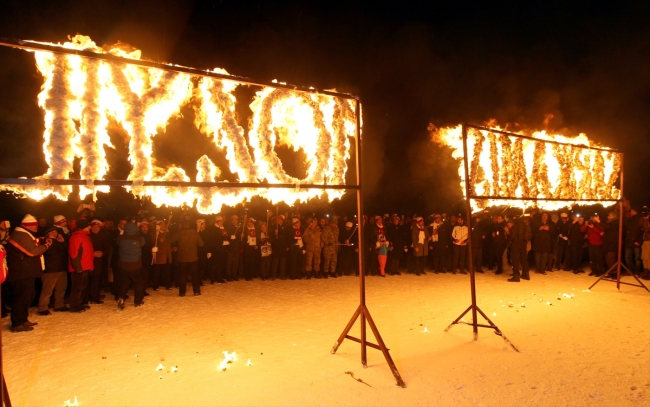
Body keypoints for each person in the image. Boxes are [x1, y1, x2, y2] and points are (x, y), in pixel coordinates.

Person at [5, 215, 51, 331]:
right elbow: (32, 250)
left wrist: (43, 240)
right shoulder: (20, 235)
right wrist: (45, 246)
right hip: (21, 273)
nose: (36, 228)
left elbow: (33, 242)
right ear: (28, 226)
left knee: (28, 296)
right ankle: (17, 323)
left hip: (27, 272)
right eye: (34, 226)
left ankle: (23, 319)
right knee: (21, 298)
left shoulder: (24, 234)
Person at [38, 227, 68, 315]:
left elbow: (67, 251)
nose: (54, 233)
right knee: (47, 290)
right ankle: (43, 307)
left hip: (61, 269)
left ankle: (59, 305)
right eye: (52, 232)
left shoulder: (60, 242)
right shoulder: (45, 242)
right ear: (47, 234)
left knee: (61, 289)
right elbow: (48, 252)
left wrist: (63, 242)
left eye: (55, 232)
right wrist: (51, 241)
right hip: (50, 270)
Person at [116, 221, 146, 308]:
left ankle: (121, 297)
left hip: (123, 265)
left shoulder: (120, 238)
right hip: (136, 265)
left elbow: (117, 243)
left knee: (124, 283)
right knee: (138, 283)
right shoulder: (140, 238)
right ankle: (138, 301)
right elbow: (143, 244)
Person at [170, 220, 204, 296]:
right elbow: (201, 244)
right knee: (194, 275)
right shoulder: (194, 232)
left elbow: (171, 240)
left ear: (181, 226)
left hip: (182, 258)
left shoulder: (178, 233)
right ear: (189, 225)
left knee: (182, 275)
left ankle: (182, 292)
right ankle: (196, 291)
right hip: (193, 257)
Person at [68, 218, 94, 313]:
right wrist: (77, 267)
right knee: (77, 287)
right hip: (79, 267)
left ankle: (80, 303)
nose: (90, 227)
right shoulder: (77, 237)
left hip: (85, 266)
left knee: (83, 286)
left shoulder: (85, 236)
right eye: (88, 225)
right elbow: (74, 253)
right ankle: (75, 306)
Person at [88, 219, 110, 305]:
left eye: (97, 227)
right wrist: (92, 253)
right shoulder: (88, 235)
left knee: (96, 279)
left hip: (99, 261)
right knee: (88, 279)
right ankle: (88, 296)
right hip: (89, 260)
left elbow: (107, 247)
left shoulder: (103, 236)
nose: (95, 228)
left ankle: (95, 295)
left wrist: (102, 253)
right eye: (94, 226)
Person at [150, 221, 173, 290]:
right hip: (159, 255)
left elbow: (170, 241)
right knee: (157, 272)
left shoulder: (167, 233)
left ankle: (167, 284)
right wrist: (159, 240)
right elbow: (153, 242)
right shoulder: (154, 234)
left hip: (167, 255)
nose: (163, 227)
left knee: (166, 271)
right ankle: (155, 285)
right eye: (161, 225)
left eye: (164, 225)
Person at [508, 217, 532, 282]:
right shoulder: (526, 226)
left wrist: (509, 232)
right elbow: (529, 235)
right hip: (523, 244)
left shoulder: (515, 226)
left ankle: (516, 276)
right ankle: (526, 275)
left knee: (515, 260)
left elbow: (512, 236)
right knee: (523, 260)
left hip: (516, 244)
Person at [624, 208, 644, 275]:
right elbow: (625, 231)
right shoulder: (628, 220)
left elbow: (643, 232)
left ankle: (637, 271)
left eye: (633, 211)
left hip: (636, 242)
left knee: (637, 258)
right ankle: (630, 270)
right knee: (628, 257)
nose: (631, 212)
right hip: (628, 241)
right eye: (631, 211)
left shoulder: (640, 220)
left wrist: (639, 241)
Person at [271, 215, 290, 279]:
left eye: (280, 219)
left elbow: (287, 237)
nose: (279, 220)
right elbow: (272, 237)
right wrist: (275, 233)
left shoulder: (285, 227)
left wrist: (287, 246)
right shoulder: (274, 227)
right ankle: (274, 275)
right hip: (276, 246)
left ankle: (282, 275)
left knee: (283, 262)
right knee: (275, 261)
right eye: (278, 219)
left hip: (283, 246)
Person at [225, 215, 243, 281]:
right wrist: (230, 238)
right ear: (232, 220)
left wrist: (241, 235)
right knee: (229, 263)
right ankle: (228, 276)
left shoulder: (239, 228)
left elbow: (239, 239)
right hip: (230, 248)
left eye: (236, 220)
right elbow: (226, 236)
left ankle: (234, 275)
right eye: (233, 220)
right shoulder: (229, 227)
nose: (235, 221)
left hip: (236, 247)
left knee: (235, 263)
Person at [641, 208, 650, 280]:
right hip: (645, 240)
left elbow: (647, 229)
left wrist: (646, 220)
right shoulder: (645, 220)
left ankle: (648, 272)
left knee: (647, 257)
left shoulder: (647, 221)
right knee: (644, 257)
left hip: (648, 240)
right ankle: (646, 271)